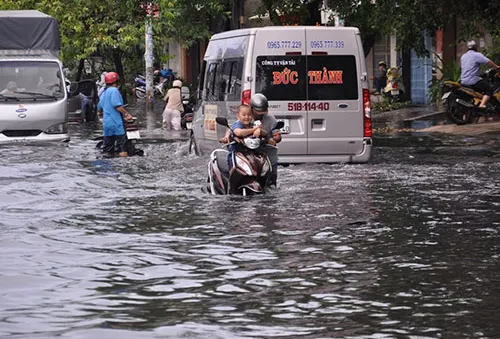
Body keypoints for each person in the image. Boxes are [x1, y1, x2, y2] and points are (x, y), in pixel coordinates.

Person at [97, 71, 134, 157]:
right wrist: (127, 114)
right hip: (116, 123)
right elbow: (117, 106)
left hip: (106, 124)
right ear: (116, 81)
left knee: (108, 149)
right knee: (122, 147)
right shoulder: (114, 91)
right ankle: (123, 166)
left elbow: (99, 109)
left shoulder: (104, 93)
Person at [251, 93, 282, 186]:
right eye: (257, 112)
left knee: (272, 184)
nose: (260, 116)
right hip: (251, 156)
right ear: (252, 109)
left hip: (269, 157)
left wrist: (271, 139)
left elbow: (278, 136)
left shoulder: (271, 119)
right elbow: (236, 130)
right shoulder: (246, 118)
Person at [219, 104, 261, 170]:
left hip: (251, 151)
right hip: (236, 151)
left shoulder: (253, 124)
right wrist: (254, 130)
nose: (247, 117)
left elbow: (262, 131)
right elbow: (238, 132)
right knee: (233, 164)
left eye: (249, 115)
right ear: (238, 116)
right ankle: (232, 177)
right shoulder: (237, 124)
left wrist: (259, 130)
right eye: (244, 115)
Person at [460, 40, 500, 109]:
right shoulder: (476, 55)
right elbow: (488, 61)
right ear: (476, 47)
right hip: (472, 81)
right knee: (489, 89)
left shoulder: (463, 56)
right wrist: (496, 67)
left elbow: (470, 67)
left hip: (463, 81)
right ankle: (482, 104)